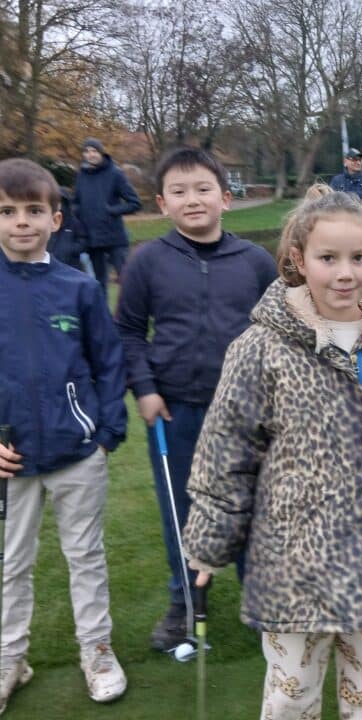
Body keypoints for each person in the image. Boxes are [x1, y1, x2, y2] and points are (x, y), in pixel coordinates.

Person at [181, 190, 362, 719]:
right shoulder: (260, 348)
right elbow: (227, 448)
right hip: (292, 565)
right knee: (291, 693)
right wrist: (210, 540)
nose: (345, 273)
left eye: (358, 257)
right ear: (299, 259)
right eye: (328, 258)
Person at [0, 158, 129, 719]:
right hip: (5, 461)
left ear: (55, 218)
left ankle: (96, 650)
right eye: (8, 211)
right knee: (9, 564)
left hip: (77, 456)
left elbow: (108, 364)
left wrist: (105, 435)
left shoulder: (79, 288)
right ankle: (6, 662)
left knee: (85, 557)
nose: (22, 221)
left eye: (34, 210)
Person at [115, 147, 277, 652]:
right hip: (175, 411)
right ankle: (187, 601)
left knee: (252, 506)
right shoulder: (146, 261)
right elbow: (128, 332)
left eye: (203, 189)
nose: (193, 200)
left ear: (225, 198)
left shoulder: (255, 262)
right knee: (182, 512)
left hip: (245, 413)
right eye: (179, 192)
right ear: (162, 203)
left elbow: (277, 333)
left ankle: (262, 598)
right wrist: (144, 388)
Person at [72, 137, 142, 291]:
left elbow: (135, 203)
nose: (91, 155)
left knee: (127, 280)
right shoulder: (81, 175)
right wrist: (76, 213)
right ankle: (102, 308)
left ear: (101, 153)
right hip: (92, 239)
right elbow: (76, 202)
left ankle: (134, 306)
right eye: (87, 151)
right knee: (99, 285)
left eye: (94, 151)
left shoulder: (115, 174)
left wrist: (111, 211)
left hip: (114, 237)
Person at [47, 186, 88, 270]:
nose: (59, 205)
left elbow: (83, 241)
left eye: (61, 201)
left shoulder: (74, 223)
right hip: (51, 266)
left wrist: (71, 249)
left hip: (72, 266)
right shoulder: (47, 222)